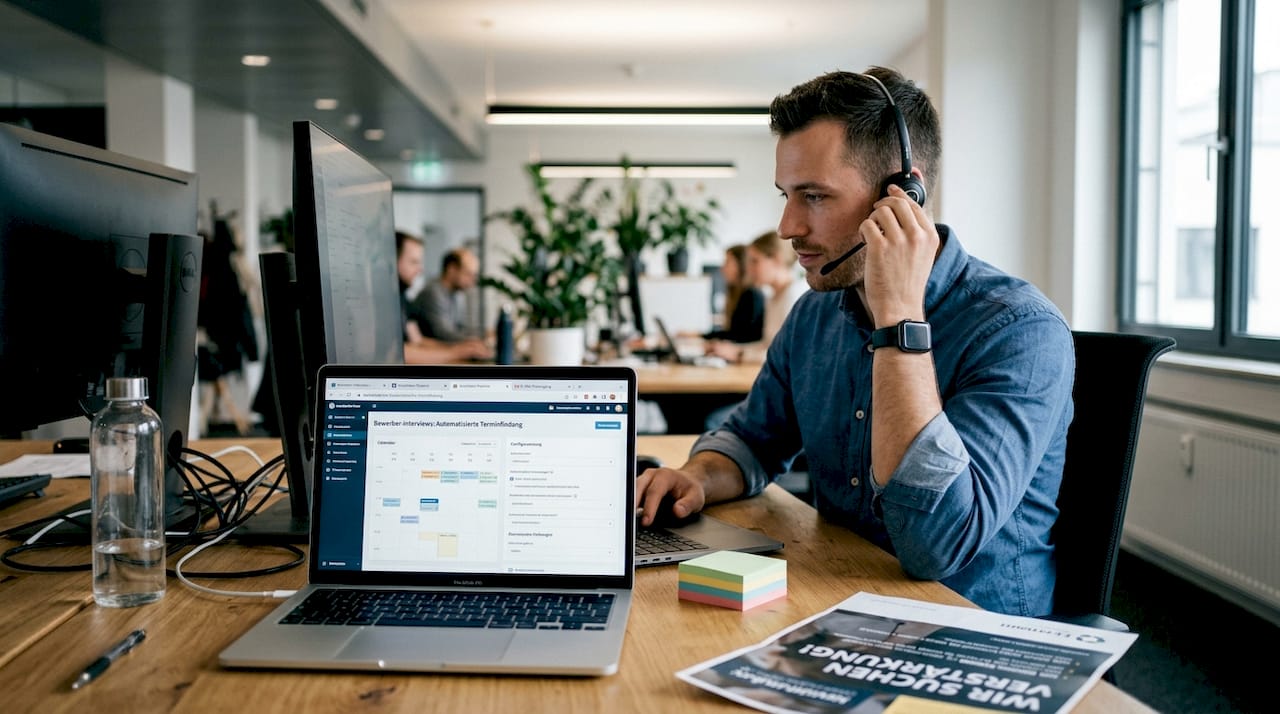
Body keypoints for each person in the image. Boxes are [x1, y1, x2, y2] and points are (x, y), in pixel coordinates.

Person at [636, 67, 1075, 618]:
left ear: (902, 195)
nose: (787, 226)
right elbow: (754, 437)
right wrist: (697, 478)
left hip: (969, 629)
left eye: (814, 196)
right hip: (837, 599)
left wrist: (899, 320)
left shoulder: (1019, 331)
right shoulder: (815, 315)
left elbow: (934, 546)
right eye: (786, 195)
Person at [704, 230, 806, 364]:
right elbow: (766, 345)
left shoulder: (796, 296)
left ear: (776, 259)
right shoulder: (773, 297)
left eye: (755, 261)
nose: (749, 269)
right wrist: (733, 349)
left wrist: (740, 354)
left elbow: (788, 354)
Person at [396, 231, 490, 364]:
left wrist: (462, 348)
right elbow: (401, 352)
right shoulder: (432, 293)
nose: (420, 269)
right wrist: (457, 351)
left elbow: (417, 340)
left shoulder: (402, 297)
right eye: (413, 262)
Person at [412, 247, 484, 343]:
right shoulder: (433, 293)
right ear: (452, 269)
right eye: (468, 274)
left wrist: (483, 334)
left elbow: (459, 328)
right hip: (430, 352)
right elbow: (443, 334)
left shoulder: (457, 294)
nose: (473, 280)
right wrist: (479, 339)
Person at [702, 243, 764, 344]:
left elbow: (741, 337)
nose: (722, 269)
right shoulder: (739, 294)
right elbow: (733, 333)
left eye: (727, 262)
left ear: (740, 265)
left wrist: (702, 337)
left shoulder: (752, 295)